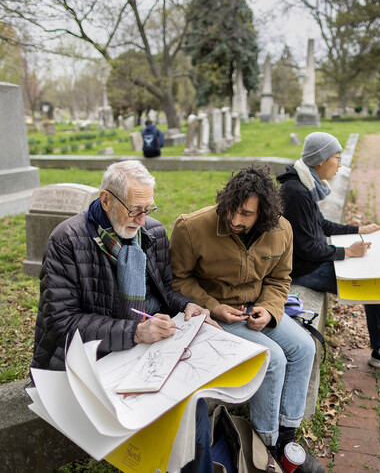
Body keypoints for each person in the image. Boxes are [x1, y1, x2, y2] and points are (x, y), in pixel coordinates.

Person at [31, 160, 214, 473]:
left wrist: (185, 306)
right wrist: (136, 333)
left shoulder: (151, 231)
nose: (143, 220)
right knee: (174, 408)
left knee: (191, 404)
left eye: (148, 208)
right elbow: (62, 325)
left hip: (143, 346)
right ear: (106, 200)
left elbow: (162, 292)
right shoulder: (67, 241)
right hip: (86, 359)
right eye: (135, 210)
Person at [170, 165, 324, 473]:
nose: (235, 220)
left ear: (264, 214)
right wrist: (213, 306)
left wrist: (269, 309)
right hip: (215, 317)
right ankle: (264, 447)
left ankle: (286, 438)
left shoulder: (282, 231)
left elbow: (281, 278)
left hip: (256, 310)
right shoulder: (191, 227)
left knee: (305, 347)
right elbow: (177, 280)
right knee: (273, 357)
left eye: (246, 213)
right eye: (231, 210)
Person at [277, 132, 380, 370]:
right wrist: (347, 252)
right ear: (320, 160)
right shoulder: (296, 192)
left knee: (378, 272)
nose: (340, 164)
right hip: (302, 270)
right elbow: (306, 248)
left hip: (310, 262)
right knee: (379, 278)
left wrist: (360, 229)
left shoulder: (302, 184)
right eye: (337, 158)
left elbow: (322, 225)